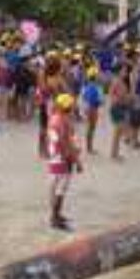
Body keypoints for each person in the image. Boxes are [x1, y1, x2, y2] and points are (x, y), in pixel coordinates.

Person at [46, 93, 81, 230]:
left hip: (54, 157)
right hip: (63, 158)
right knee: (61, 189)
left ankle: (55, 215)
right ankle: (55, 219)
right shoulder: (63, 122)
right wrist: (76, 160)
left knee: (54, 187)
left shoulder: (53, 118)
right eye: (69, 108)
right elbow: (65, 143)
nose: (71, 110)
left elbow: (56, 141)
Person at [80, 67, 104, 155]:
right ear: (95, 76)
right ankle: (90, 148)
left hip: (87, 108)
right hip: (93, 109)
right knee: (91, 128)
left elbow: (83, 98)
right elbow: (100, 101)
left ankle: (88, 147)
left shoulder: (85, 86)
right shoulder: (97, 87)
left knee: (89, 128)